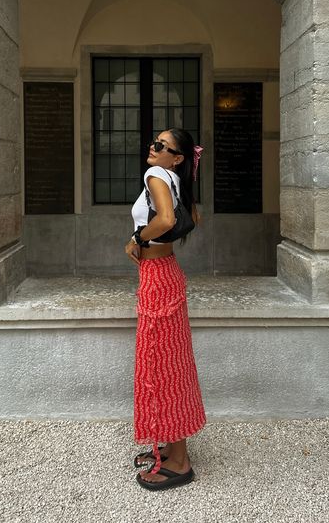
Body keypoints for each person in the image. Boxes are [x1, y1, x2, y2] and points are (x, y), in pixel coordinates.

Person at [125, 128, 206, 491]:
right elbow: (193, 217)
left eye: (161, 146)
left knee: (161, 365)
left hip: (158, 276)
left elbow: (169, 221)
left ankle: (179, 462)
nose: (152, 147)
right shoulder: (174, 178)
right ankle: (172, 447)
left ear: (176, 157)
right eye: (153, 142)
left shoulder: (156, 174)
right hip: (166, 272)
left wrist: (137, 238)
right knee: (171, 364)